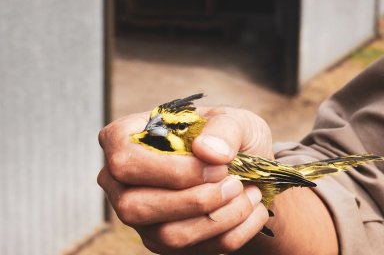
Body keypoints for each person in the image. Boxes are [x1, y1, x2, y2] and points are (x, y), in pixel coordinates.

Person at [97, 57, 384, 254]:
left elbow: (268, 176)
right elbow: (359, 193)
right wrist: (266, 221)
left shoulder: (222, 160)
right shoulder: (198, 151)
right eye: (155, 123)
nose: (155, 129)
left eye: (179, 126)